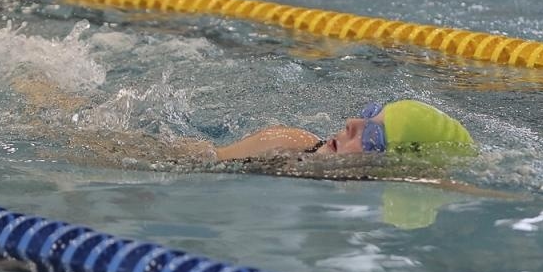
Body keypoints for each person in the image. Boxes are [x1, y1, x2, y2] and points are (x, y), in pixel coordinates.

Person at [201, 100, 475, 161]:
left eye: (370, 135)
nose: (351, 123)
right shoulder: (285, 143)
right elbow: (200, 156)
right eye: (368, 113)